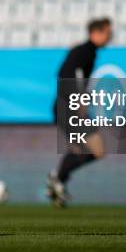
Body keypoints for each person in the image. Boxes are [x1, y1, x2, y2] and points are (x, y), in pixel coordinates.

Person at [47, 18, 112, 207]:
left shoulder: (84, 51)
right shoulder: (85, 52)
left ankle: (58, 180)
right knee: (92, 150)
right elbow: (68, 76)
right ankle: (57, 178)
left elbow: (63, 73)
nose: (110, 37)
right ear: (95, 33)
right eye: (107, 33)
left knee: (88, 150)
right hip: (68, 108)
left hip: (66, 108)